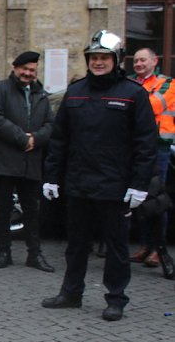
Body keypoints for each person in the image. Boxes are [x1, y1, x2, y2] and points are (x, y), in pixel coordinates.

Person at [41, 30, 157, 322]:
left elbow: (145, 143)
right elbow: (59, 139)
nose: (98, 62)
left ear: (116, 59)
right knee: (76, 245)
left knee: (116, 247)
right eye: (93, 57)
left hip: (115, 185)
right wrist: (52, 176)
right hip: (79, 182)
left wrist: (139, 185)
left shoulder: (133, 93)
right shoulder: (75, 91)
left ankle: (115, 299)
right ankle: (71, 293)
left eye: (104, 57)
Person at [0, 51, 55, 272]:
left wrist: (36, 139)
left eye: (32, 70)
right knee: (3, 211)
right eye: (24, 69)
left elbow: (50, 124)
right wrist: (22, 138)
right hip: (4, 161)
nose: (27, 73)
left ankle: (35, 254)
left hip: (30, 162)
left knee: (32, 211)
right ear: (15, 68)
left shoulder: (41, 94)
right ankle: (4, 252)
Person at [127, 48, 175, 270]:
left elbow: (153, 106)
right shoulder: (130, 82)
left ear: (154, 61)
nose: (138, 63)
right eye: (136, 60)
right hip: (134, 146)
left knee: (157, 200)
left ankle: (158, 249)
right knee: (139, 197)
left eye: (143, 60)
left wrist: (128, 102)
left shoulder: (167, 83)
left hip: (158, 147)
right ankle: (146, 245)